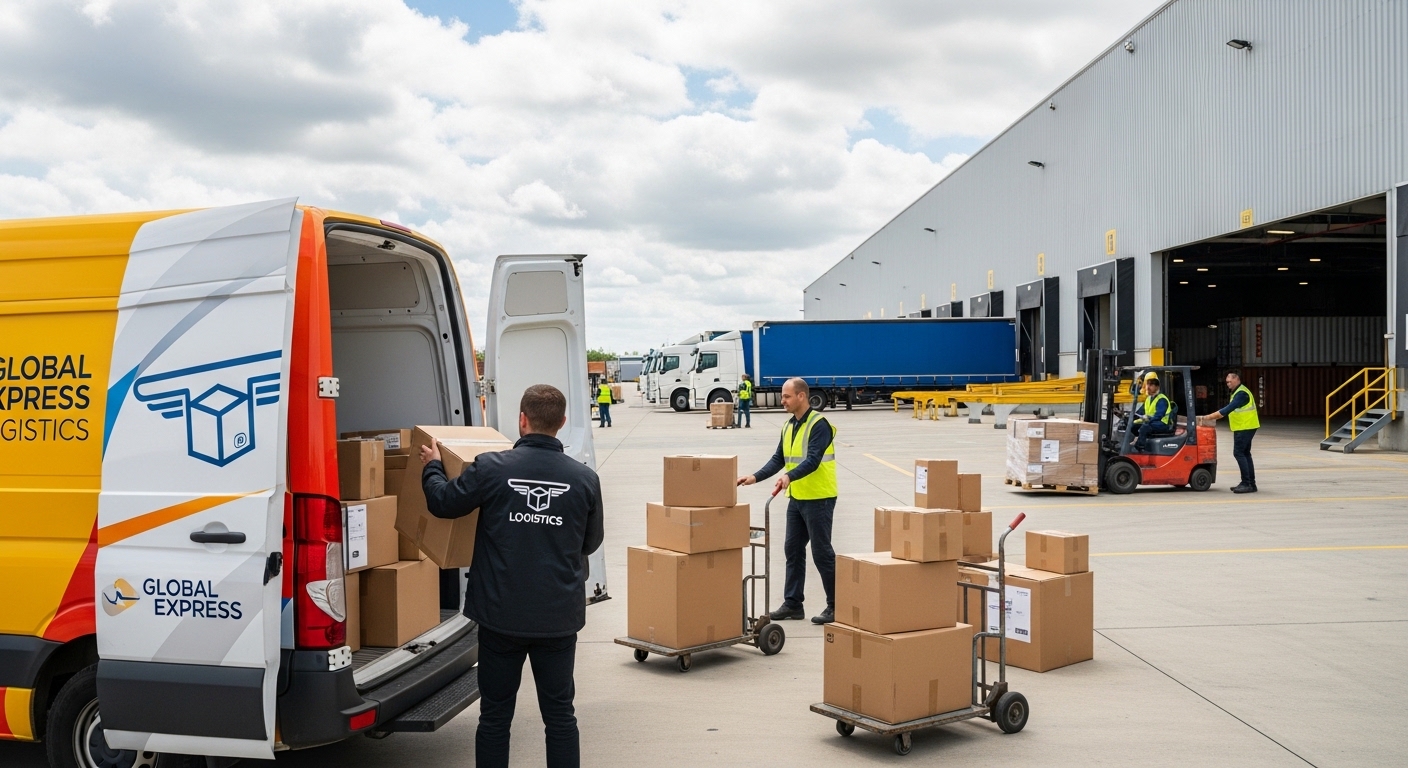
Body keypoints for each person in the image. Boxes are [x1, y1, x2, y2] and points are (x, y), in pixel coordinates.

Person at [420, 384, 604, 768]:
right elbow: (591, 542)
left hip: (500, 616)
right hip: (557, 618)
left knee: (495, 716)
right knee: (560, 715)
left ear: (522, 420)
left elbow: (442, 502)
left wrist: (433, 466)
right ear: (562, 422)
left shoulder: (491, 468)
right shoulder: (585, 479)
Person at [737, 377, 837, 625]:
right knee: (792, 550)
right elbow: (779, 459)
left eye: (786, 396)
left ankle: (837, 605)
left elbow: (813, 460)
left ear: (801, 396)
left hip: (820, 497)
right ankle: (793, 604)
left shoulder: (819, 424)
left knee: (822, 552)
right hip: (798, 498)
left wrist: (789, 477)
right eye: (783, 396)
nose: (782, 400)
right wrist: (755, 477)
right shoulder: (788, 425)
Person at [1201, 370, 1259, 493]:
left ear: (1237, 379)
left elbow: (1226, 411)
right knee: (1245, 454)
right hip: (1245, 426)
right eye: (1227, 382)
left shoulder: (1241, 394)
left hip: (1244, 427)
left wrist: (1206, 418)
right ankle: (1250, 483)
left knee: (1239, 453)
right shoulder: (1238, 392)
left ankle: (1246, 483)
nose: (1228, 384)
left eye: (1230, 381)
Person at [1132, 375, 1174, 452]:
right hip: (1152, 422)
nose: (1148, 387)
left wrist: (1148, 418)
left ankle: (1140, 447)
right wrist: (1131, 416)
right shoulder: (1148, 399)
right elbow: (1140, 412)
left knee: (1145, 427)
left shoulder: (1162, 399)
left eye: (1151, 385)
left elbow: (1159, 416)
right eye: (1147, 384)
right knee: (1133, 426)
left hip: (1162, 424)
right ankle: (1137, 441)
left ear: (1157, 387)